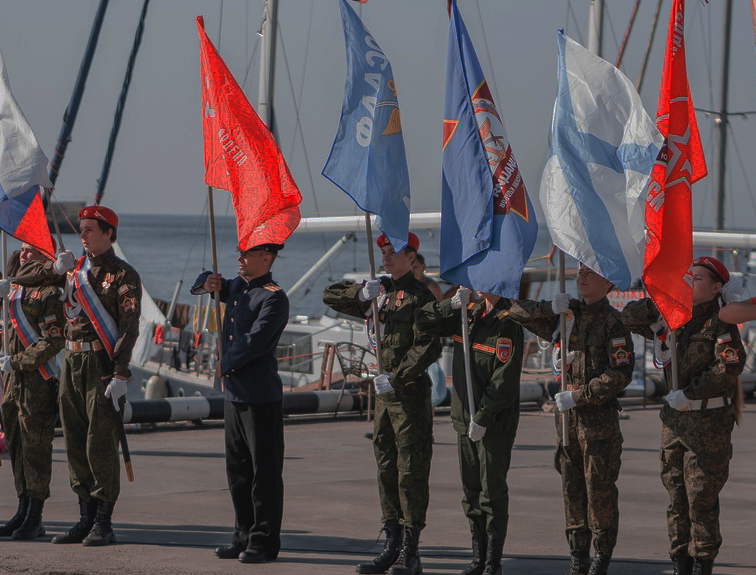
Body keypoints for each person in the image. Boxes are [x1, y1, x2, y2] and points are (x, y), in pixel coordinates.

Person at [17, 205, 142, 547]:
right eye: (82, 228)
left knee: (99, 442)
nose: (82, 235)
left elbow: (129, 328)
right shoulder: (76, 270)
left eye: (89, 229)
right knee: (74, 440)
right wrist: (53, 267)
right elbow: (22, 277)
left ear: (108, 234)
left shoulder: (122, 275)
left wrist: (120, 373)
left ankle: (104, 521)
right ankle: (84, 517)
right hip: (70, 361)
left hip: (100, 365)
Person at [323, 232, 441, 575]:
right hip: (385, 399)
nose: (387, 257)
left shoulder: (421, 297)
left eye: (394, 253)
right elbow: (329, 296)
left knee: (411, 472)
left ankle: (411, 551)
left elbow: (428, 347)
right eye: (385, 252)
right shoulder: (381, 292)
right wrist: (360, 293)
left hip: (410, 396)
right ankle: (391, 542)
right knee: (386, 467)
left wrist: (399, 376)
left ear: (412, 257)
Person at [506, 263, 633, 575]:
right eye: (579, 270)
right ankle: (577, 556)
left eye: (590, 272)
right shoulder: (566, 314)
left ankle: (600, 557)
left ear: (607, 283)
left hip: (597, 421)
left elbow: (620, 373)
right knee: (571, 488)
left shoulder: (613, 323)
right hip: (567, 422)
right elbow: (515, 312)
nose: (581, 276)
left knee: (598, 488)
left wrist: (581, 395)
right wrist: (550, 305)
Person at [621, 257, 745, 575]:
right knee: (676, 494)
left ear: (717, 287)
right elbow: (628, 318)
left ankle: (702, 563)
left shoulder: (721, 321)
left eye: (698, 278)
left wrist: (690, 394)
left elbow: (728, 366)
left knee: (700, 497)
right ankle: (680, 563)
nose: (691, 281)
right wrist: (663, 297)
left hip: (708, 422)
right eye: (688, 276)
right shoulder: (674, 316)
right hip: (675, 422)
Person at [190, 242, 289, 564]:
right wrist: (207, 282)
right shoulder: (234, 287)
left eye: (246, 255)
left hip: (260, 396)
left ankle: (263, 541)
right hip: (234, 396)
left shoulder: (274, 296)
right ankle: (242, 535)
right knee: (238, 473)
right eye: (240, 253)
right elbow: (203, 281)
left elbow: (256, 342)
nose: (239, 259)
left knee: (265, 475)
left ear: (266, 258)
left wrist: (225, 364)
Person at [416, 286, 523, 575]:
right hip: (464, 419)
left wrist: (485, 416)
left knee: (492, 493)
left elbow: (505, 379)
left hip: (493, 423)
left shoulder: (507, 321)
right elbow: (422, 320)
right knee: (471, 492)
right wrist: (449, 305)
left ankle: (492, 562)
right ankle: (478, 558)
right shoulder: (469, 315)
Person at [0, 243, 65, 540]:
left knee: (35, 447)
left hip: (35, 380)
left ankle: (35, 516)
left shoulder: (50, 294)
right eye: (23, 250)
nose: (24, 254)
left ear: (46, 257)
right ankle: (22, 507)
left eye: (32, 250)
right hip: (11, 383)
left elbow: (52, 341)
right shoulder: (12, 292)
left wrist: (18, 361)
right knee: (15, 445)